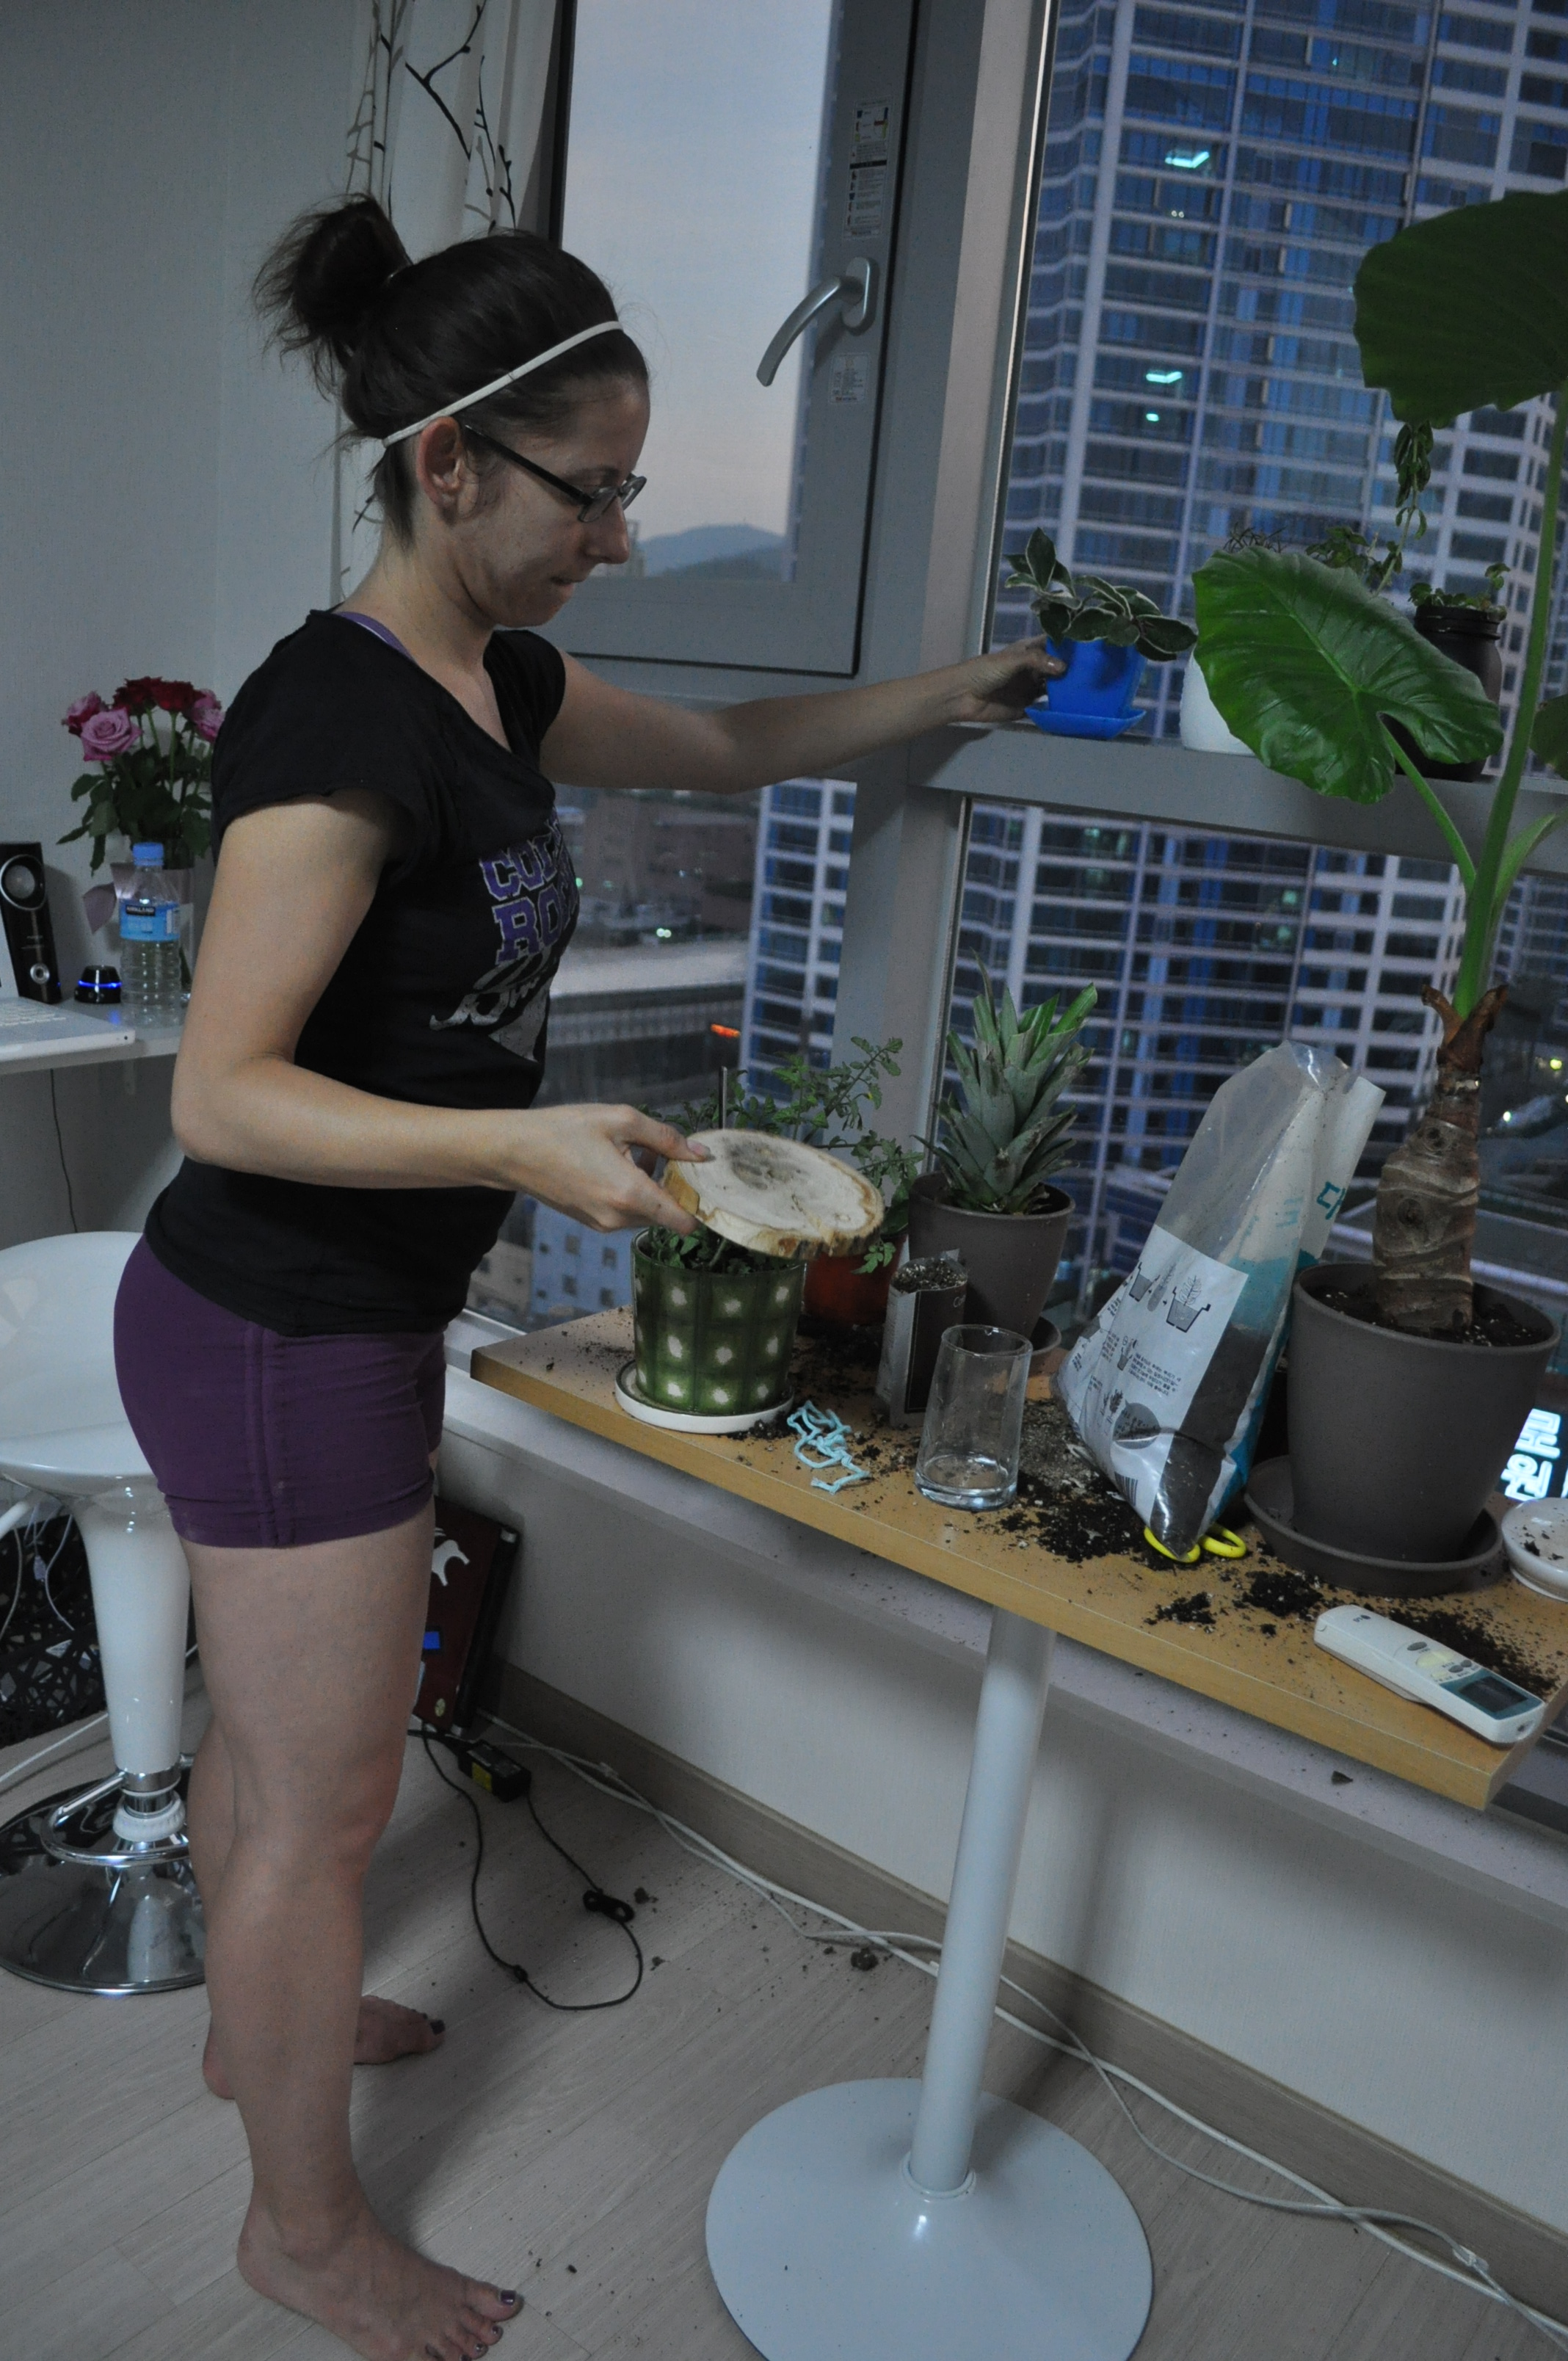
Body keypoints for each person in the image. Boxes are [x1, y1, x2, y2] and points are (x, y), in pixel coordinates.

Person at [112, 194, 1061, 2361]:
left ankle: (260, 2024)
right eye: (591, 493)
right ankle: (301, 2235)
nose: (619, 538)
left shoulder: (502, 683)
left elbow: (725, 752)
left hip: (331, 1312)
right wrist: (516, 1143)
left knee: (285, 1758)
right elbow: (223, 1091)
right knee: (333, 1801)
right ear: (449, 464)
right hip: (272, 1319)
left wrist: (944, 693)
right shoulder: (337, 717)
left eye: (636, 492)